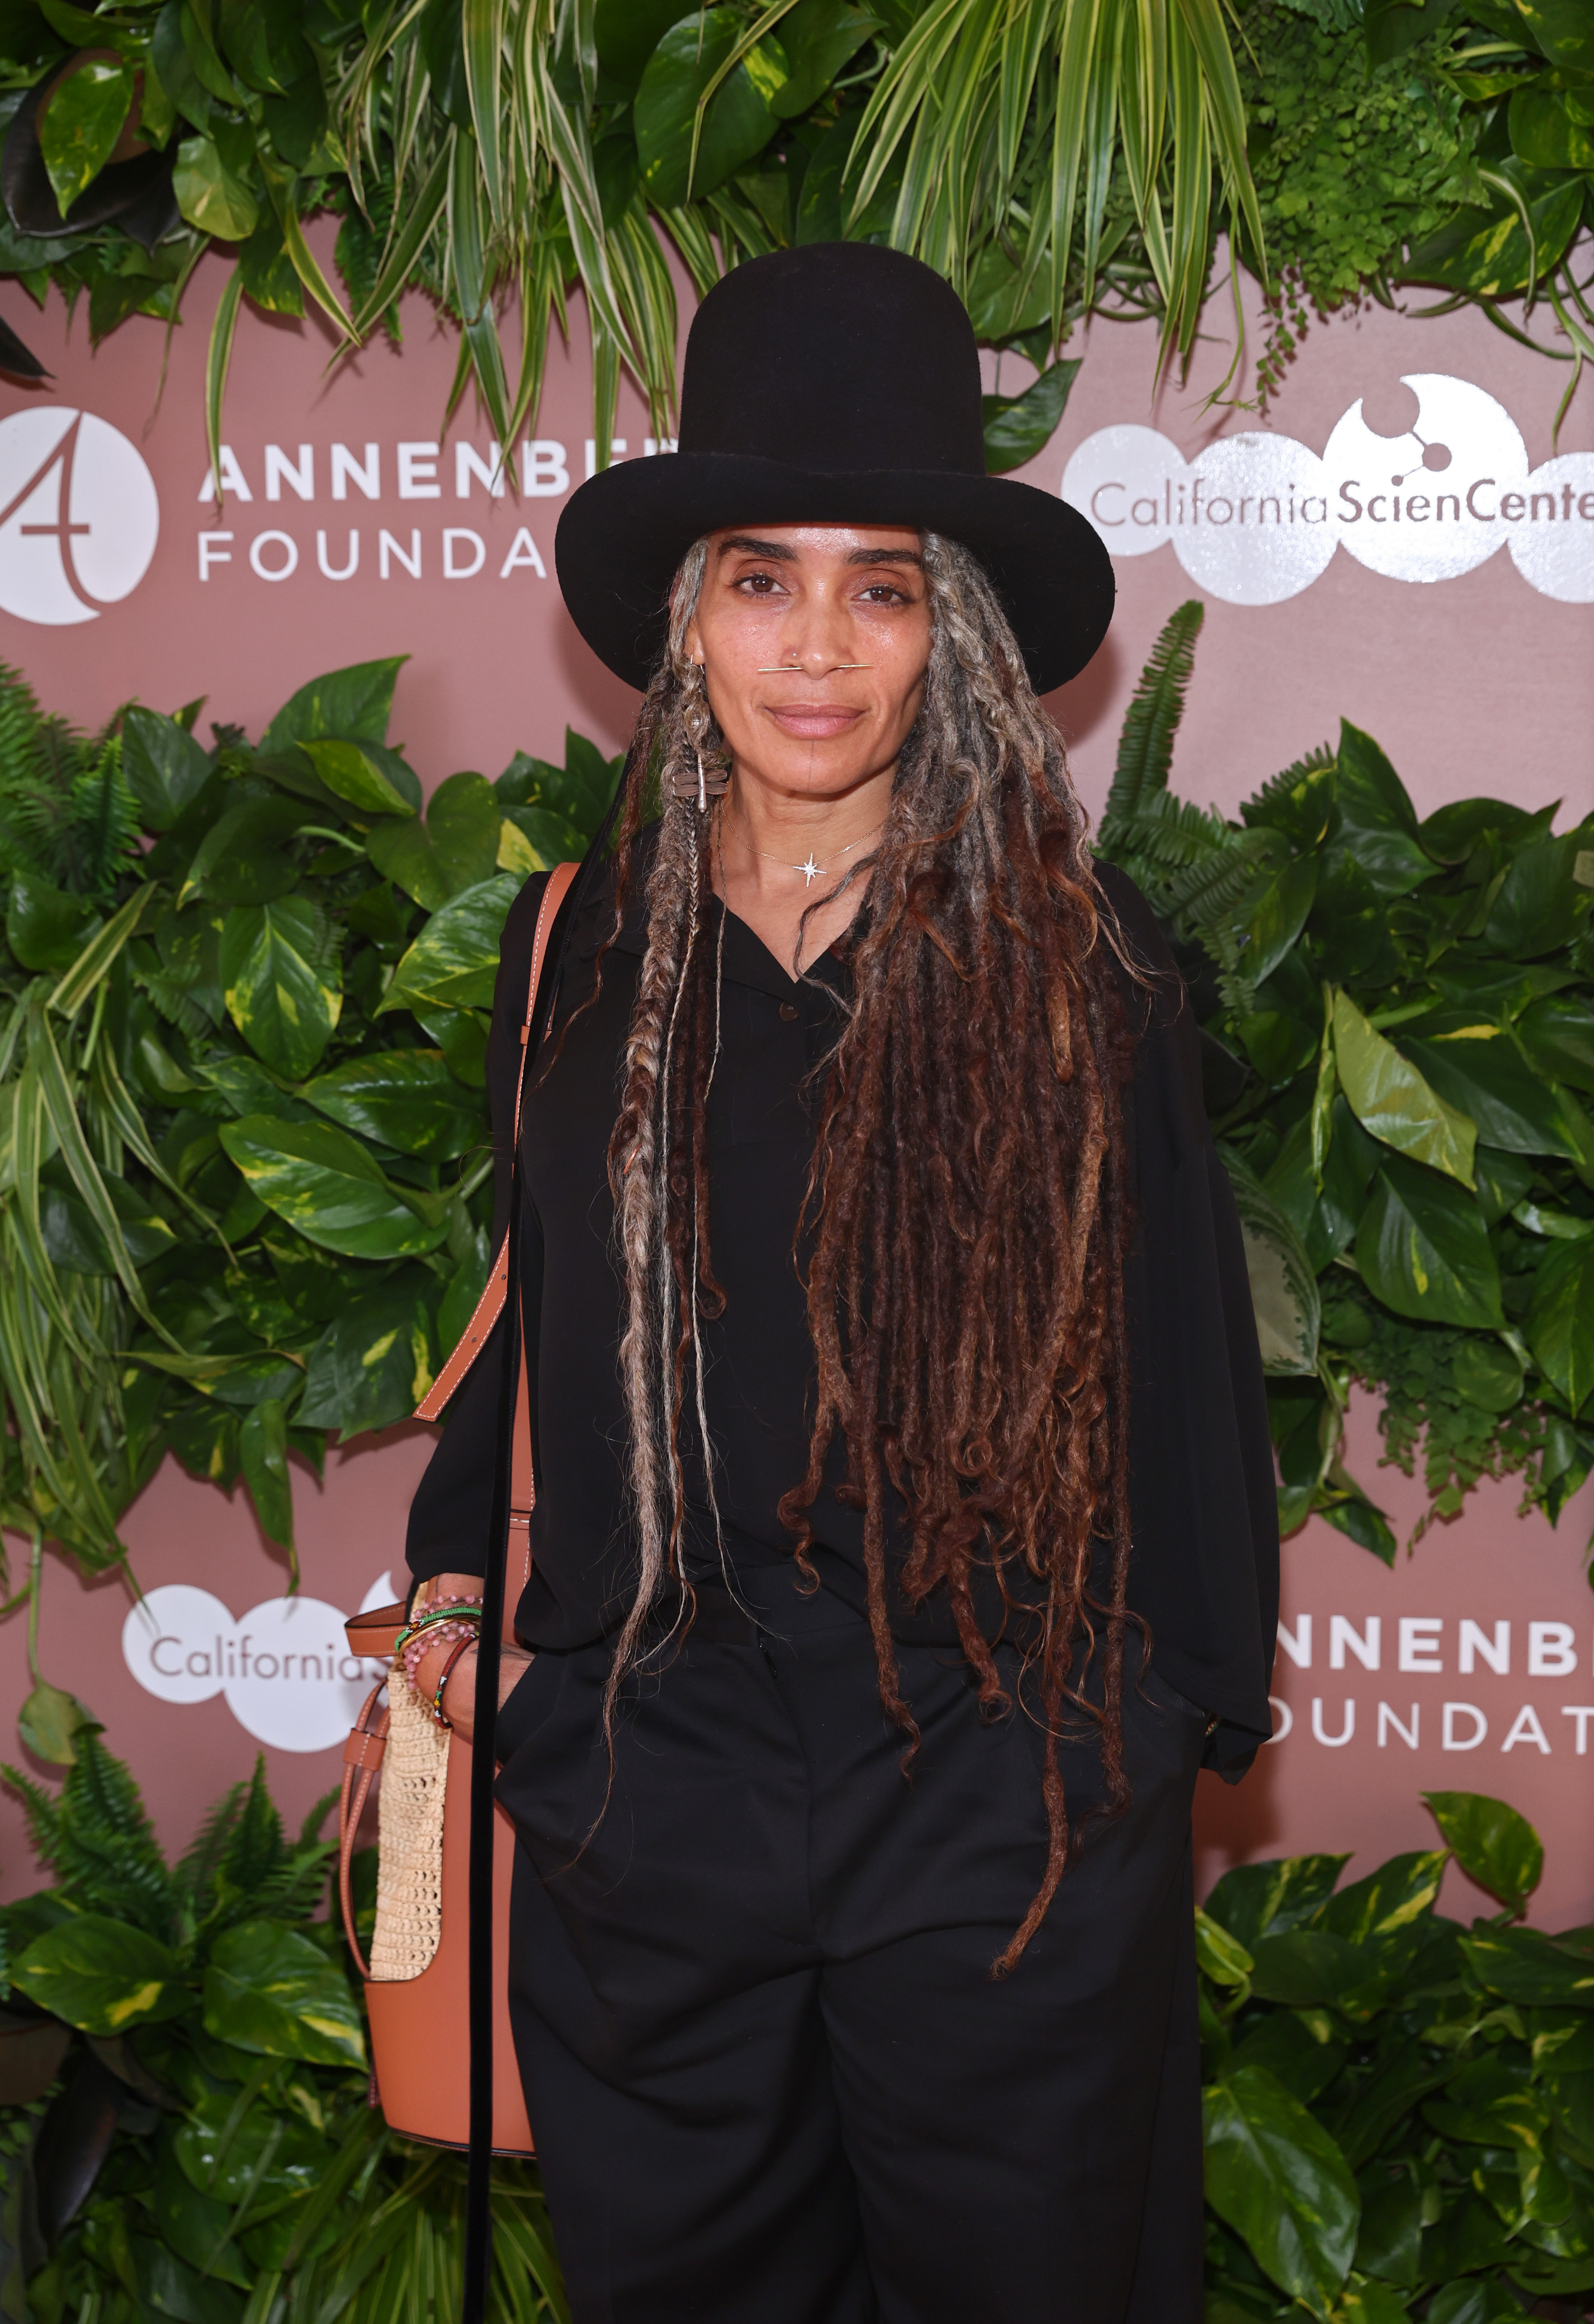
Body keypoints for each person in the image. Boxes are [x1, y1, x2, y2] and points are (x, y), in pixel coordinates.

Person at [402, 243, 1277, 2324]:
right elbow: (538, 1302)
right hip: (652, 1783)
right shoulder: (575, 948)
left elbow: (1186, 1371)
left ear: (950, 638)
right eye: (760, 578)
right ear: (686, 615)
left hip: (998, 1797)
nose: (818, 647)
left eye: (879, 586)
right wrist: (459, 1582)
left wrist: (1156, 1728)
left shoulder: (1083, 963)